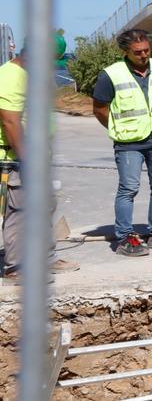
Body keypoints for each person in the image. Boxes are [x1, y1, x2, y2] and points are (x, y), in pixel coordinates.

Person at [91, 29, 152, 257]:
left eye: (146, 51)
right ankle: (125, 237)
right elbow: (99, 108)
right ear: (125, 52)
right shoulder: (111, 75)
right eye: (137, 52)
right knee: (128, 189)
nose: (143, 55)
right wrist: (117, 129)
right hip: (129, 143)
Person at [1, 40, 80, 283]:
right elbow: (10, 122)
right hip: (16, 160)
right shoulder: (10, 76)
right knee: (20, 211)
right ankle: (16, 268)